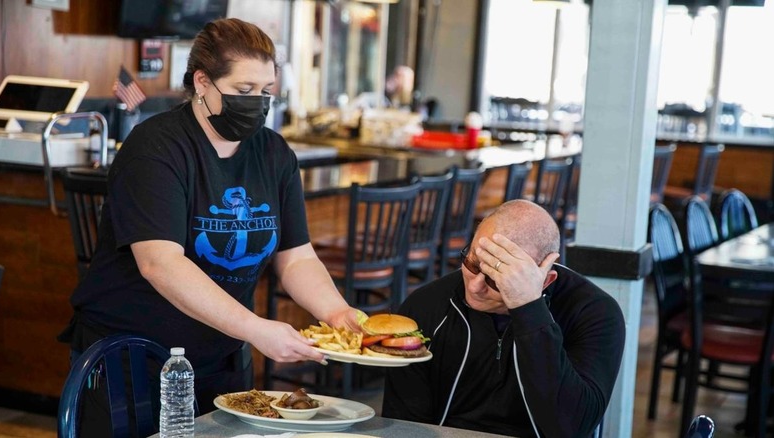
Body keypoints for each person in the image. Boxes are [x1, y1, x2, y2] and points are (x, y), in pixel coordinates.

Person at [58, 18, 361, 434]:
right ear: (202, 82)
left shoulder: (273, 153)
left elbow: (295, 257)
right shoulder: (156, 148)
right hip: (131, 360)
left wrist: (336, 311)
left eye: (266, 91)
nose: (257, 101)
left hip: (220, 355)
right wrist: (256, 328)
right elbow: (160, 263)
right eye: (243, 90)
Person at [382, 199, 626, 437]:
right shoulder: (426, 305)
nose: (475, 287)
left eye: (495, 277)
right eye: (473, 264)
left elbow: (571, 427)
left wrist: (529, 309)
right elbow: (404, 424)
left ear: (544, 280)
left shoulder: (594, 312)